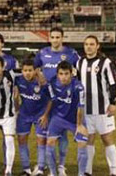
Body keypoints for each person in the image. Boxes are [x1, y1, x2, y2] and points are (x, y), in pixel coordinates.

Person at [34, 27, 80, 175]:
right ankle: (41, 165)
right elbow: (34, 67)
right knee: (42, 133)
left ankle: (61, 166)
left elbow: (79, 69)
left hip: (63, 99)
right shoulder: (42, 53)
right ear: (49, 38)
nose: (55, 40)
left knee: (63, 134)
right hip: (46, 99)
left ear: (62, 38)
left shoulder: (71, 54)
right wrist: (39, 74)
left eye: (57, 37)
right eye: (52, 37)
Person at [77, 35, 116, 176]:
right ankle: (88, 171)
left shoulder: (105, 62)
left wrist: (113, 103)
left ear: (97, 46)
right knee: (89, 140)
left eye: (92, 44)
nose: (89, 46)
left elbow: (113, 83)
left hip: (103, 109)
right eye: (86, 44)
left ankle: (113, 171)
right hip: (86, 110)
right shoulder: (79, 62)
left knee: (107, 139)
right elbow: (77, 84)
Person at [46, 61, 89, 176]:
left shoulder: (78, 87)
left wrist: (79, 125)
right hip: (58, 118)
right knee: (49, 142)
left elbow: (81, 107)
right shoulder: (52, 83)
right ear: (57, 74)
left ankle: (81, 174)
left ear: (71, 74)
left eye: (66, 74)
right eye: (61, 74)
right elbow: (51, 100)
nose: (63, 77)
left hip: (75, 119)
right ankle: (53, 173)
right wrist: (46, 116)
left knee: (82, 143)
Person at [14, 59, 50, 176]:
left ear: (35, 71)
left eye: (30, 70)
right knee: (22, 140)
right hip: (24, 115)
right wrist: (16, 107)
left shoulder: (43, 83)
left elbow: (51, 99)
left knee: (41, 140)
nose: (27, 73)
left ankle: (40, 168)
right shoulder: (18, 80)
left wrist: (45, 115)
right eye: (25, 70)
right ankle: (26, 169)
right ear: (22, 71)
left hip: (40, 115)